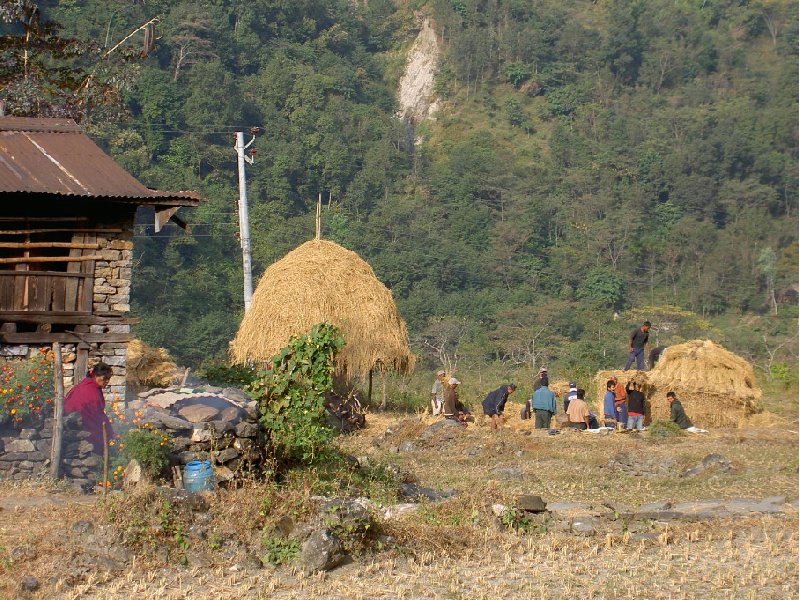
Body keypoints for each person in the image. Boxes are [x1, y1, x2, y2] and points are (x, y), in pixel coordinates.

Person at [63, 363, 116, 454]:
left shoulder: (89, 384)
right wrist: (110, 432)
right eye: (105, 378)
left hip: (73, 421)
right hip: (79, 424)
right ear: (96, 376)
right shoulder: (90, 390)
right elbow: (97, 415)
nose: (107, 381)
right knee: (98, 439)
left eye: (108, 379)